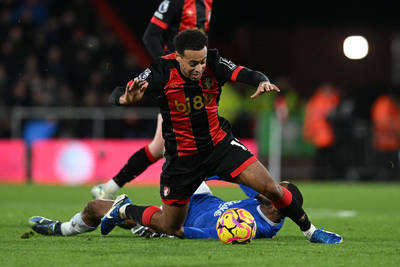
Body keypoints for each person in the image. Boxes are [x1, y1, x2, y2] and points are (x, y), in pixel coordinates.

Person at [99, 29, 342, 244]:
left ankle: (311, 231)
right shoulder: (161, 70)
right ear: (178, 57)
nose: (199, 68)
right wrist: (123, 99)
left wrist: (261, 80)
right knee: (169, 226)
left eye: (202, 61)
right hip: (183, 157)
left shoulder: (214, 62)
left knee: (272, 188)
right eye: (192, 63)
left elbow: (243, 73)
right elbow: (118, 92)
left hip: (219, 145)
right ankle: (124, 210)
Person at [91, 0, 214, 200]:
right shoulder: (176, 2)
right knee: (187, 139)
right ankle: (191, 201)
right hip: (176, 82)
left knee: (158, 147)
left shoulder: (207, 4)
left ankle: (109, 188)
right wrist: (168, 67)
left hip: (191, 81)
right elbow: (151, 36)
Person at [30, 181, 334, 243]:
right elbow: (240, 173)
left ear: (280, 205)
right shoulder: (258, 198)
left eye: (276, 190)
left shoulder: (257, 226)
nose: (270, 187)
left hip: (182, 218)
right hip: (199, 200)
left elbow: (213, 233)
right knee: (183, 163)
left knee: (96, 207)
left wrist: (175, 231)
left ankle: (59, 229)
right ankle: (128, 213)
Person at [303, 83, 340, 180]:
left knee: (319, 160)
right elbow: (329, 115)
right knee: (324, 160)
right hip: (324, 135)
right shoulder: (323, 101)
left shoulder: (314, 100)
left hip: (317, 134)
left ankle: (318, 177)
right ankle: (323, 177)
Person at [370, 90, 400, 180]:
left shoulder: (392, 106)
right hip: (384, 142)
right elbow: (382, 122)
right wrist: (395, 129)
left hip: (393, 142)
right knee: (385, 166)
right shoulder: (384, 104)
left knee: (392, 165)